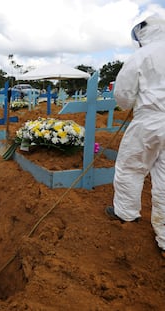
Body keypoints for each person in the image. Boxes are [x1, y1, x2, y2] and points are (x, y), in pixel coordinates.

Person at [105, 14, 165, 258]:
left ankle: (126, 213)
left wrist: (129, 104)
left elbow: (123, 94)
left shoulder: (142, 55)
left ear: (143, 32)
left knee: (131, 167)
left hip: (150, 120)